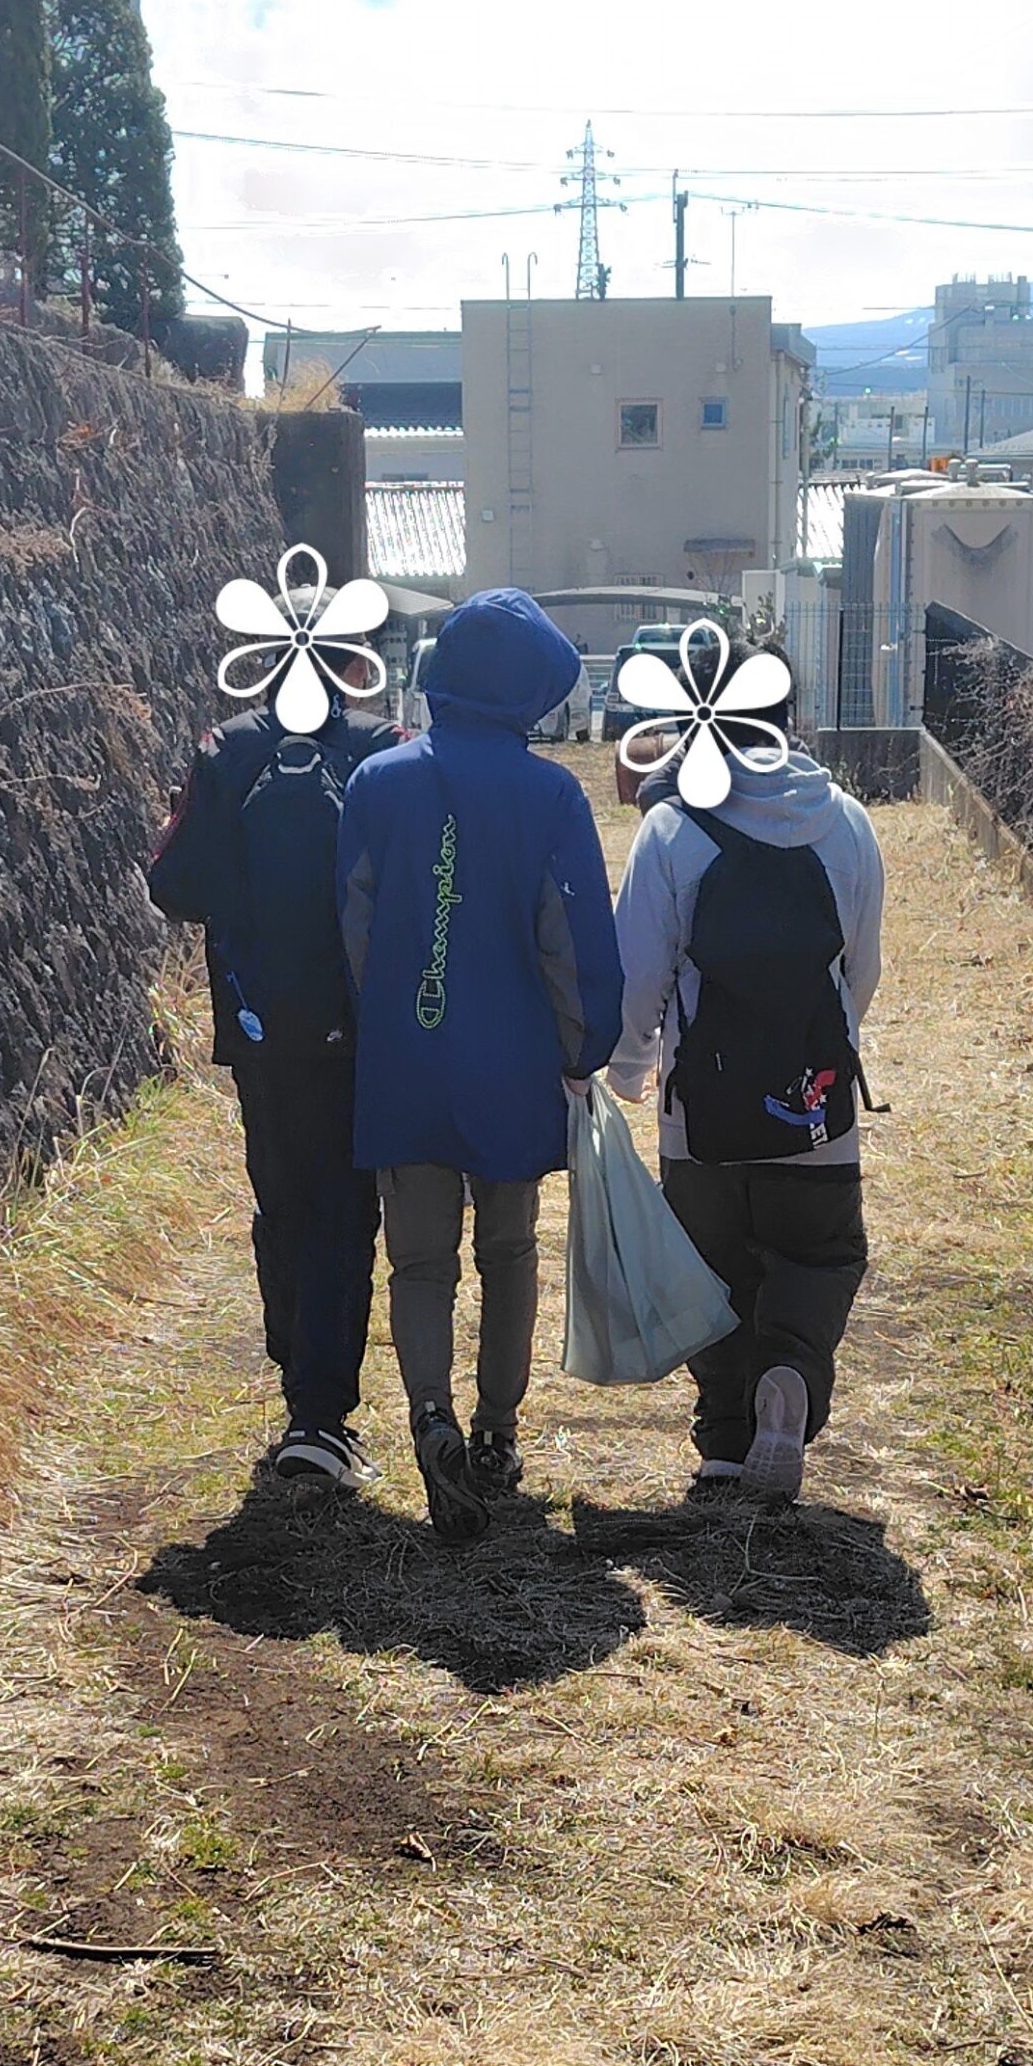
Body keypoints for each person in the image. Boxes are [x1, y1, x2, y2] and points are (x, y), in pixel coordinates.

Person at [336, 590, 624, 1540]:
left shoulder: (376, 782)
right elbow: (571, 941)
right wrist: (582, 1048)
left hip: (405, 1058)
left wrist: (386, 1018)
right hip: (513, 1065)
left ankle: (431, 1416)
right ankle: (497, 1435)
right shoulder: (550, 796)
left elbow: (357, 929)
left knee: (418, 1261)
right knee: (507, 1251)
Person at [607, 639, 885, 1504]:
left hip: (701, 1111)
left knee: (709, 1268)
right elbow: (861, 969)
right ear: (787, 716)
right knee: (821, 1254)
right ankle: (790, 1373)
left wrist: (630, 1064)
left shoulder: (671, 829)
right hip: (813, 1104)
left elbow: (638, 972)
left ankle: (725, 1438)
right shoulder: (844, 821)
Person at [148, 652, 402, 1493]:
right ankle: (318, 1417)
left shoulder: (224, 748)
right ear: (351, 664)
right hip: (354, 1023)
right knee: (342, 1212)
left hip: (255, 1021)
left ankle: (297, 1372)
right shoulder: (380, 747)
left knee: (282, 1198)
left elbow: (174, 885)